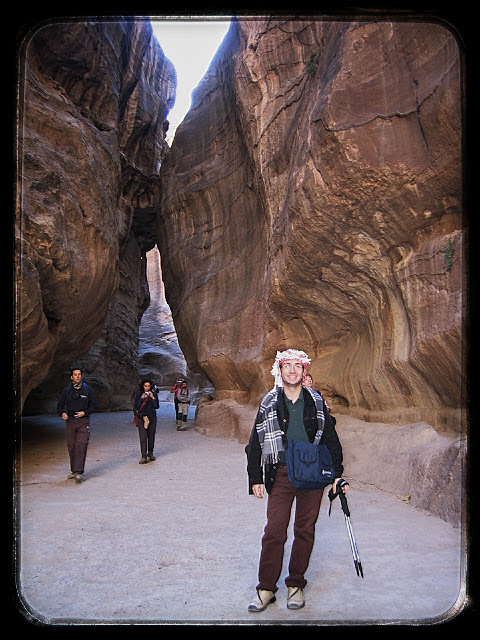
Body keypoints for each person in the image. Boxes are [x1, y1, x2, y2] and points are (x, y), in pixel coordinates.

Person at [246, 349, 347, 612]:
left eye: (297, 366)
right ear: (279, 370)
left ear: (304, 371)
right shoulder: (269, 401)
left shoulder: (315, 401)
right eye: (287, 365)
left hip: (312, 473)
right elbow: (255, 441)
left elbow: (330, 438)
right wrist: (255, 477)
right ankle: (266, 588)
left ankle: (296, 584)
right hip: (280, 472)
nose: (292, 370)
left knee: (305, 530)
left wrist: (337, 474)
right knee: (274, 532)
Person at [57, 367, 98, 483]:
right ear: (71, 377)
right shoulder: (66, 391)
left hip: (83, 420)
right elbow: (59, 406)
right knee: (71, 445)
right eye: (75, 375)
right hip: (70, 420)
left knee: (81, 444)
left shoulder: (88, 390)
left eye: (79, 374)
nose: (77, 376)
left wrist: (84, 412)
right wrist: (62, 413)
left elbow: (94, 405)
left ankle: (79, 472)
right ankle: (74, 470)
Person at [134, 380, 159, 464]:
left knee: (151, 435)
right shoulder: (138, 394)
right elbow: (136, 406)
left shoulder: (154, 394)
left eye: (148, 386)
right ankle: (143, 456)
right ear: (142, 386)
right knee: (143, 436)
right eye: (145, 386)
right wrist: (141, 399)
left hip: (151, 417)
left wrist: (152, 398)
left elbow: (156, 406)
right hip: (142, 417)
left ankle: (150, 452)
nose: (147, 387)